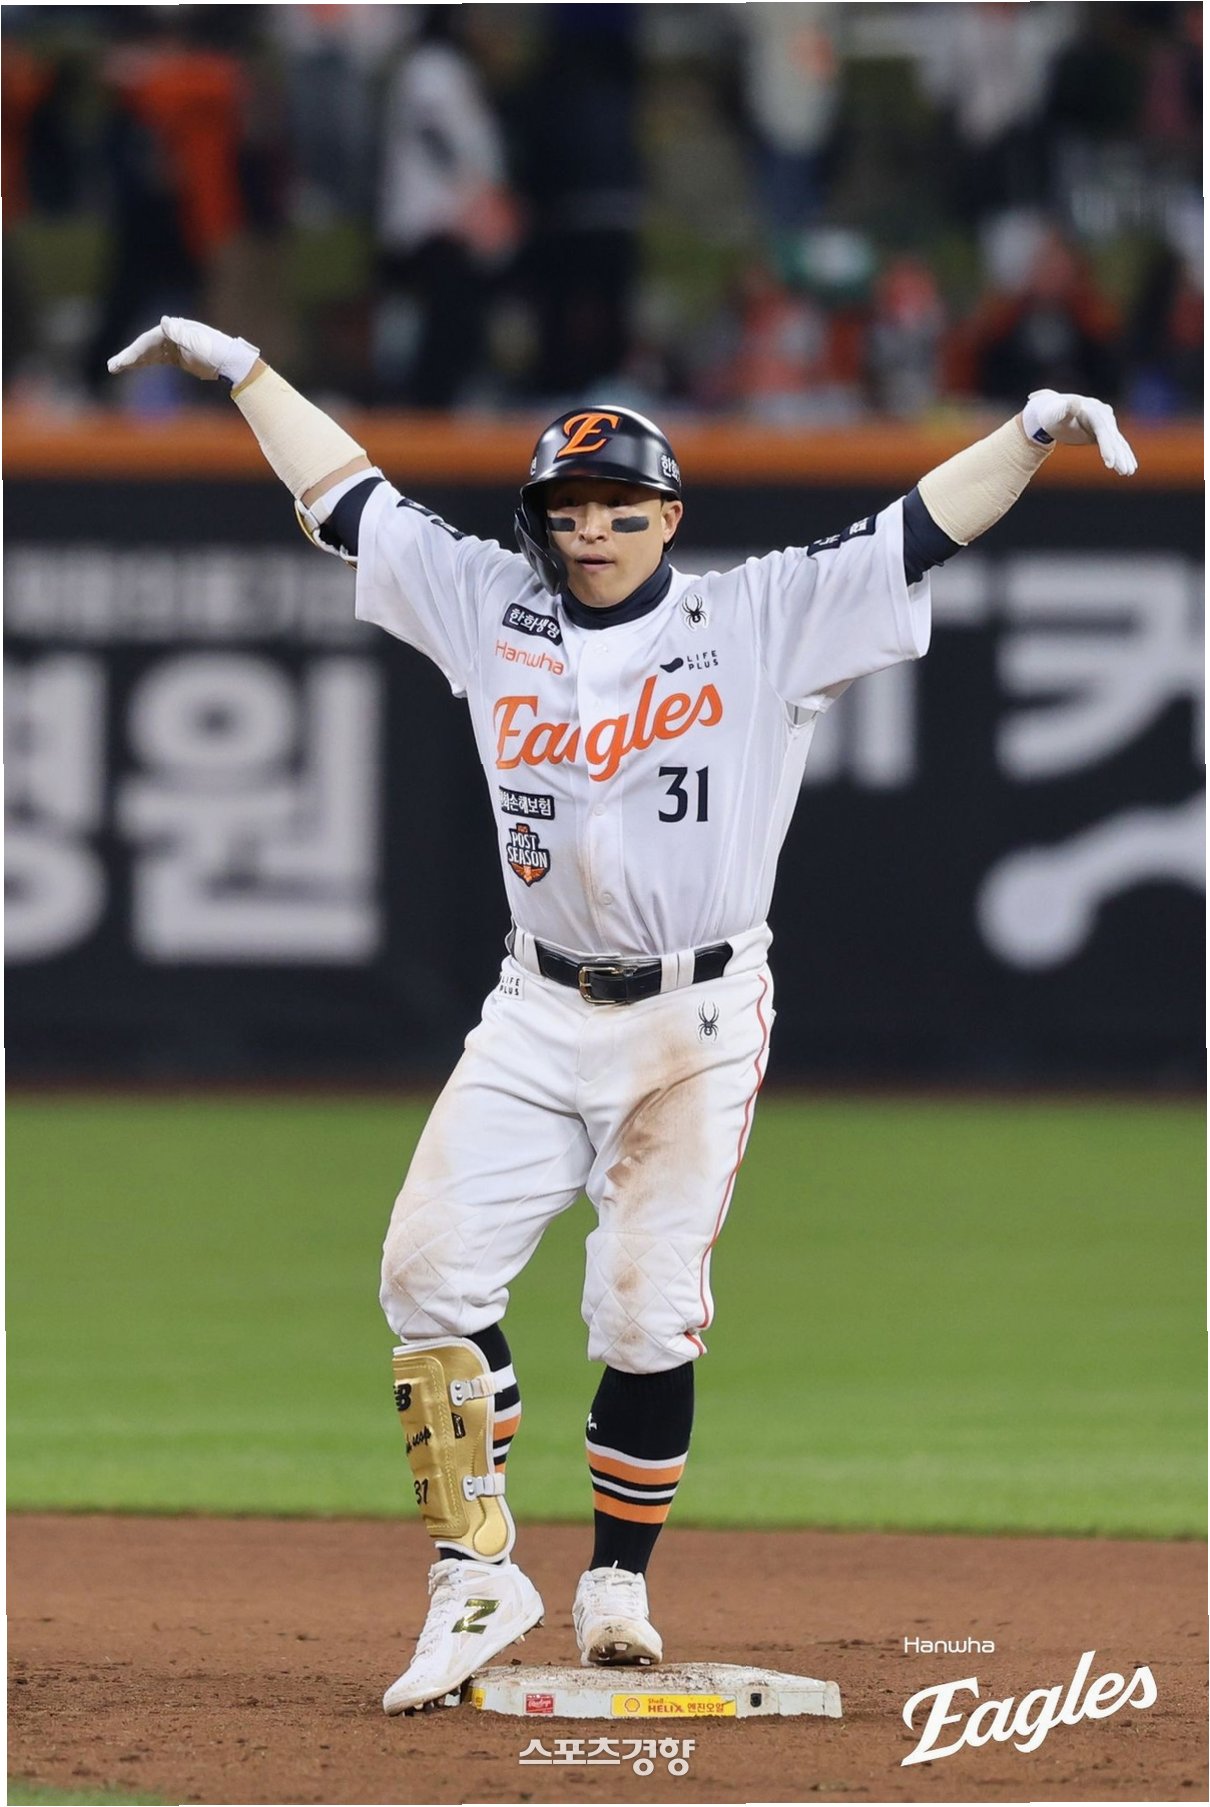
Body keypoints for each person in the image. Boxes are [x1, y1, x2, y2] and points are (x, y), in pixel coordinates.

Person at [108, 317, 1136, 1716]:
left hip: (693, 1019)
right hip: (536, 1004)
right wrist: (245, 374)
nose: (590, 530)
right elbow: (349, 498)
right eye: (567, 507)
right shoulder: (493, 605)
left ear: (669, 518)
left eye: (618, 507)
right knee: (425, 1273)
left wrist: (1027, 433)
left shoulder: (754, 617)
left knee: (647, 1310)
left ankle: (616, 1583)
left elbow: (914, 532)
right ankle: (473, 1571)